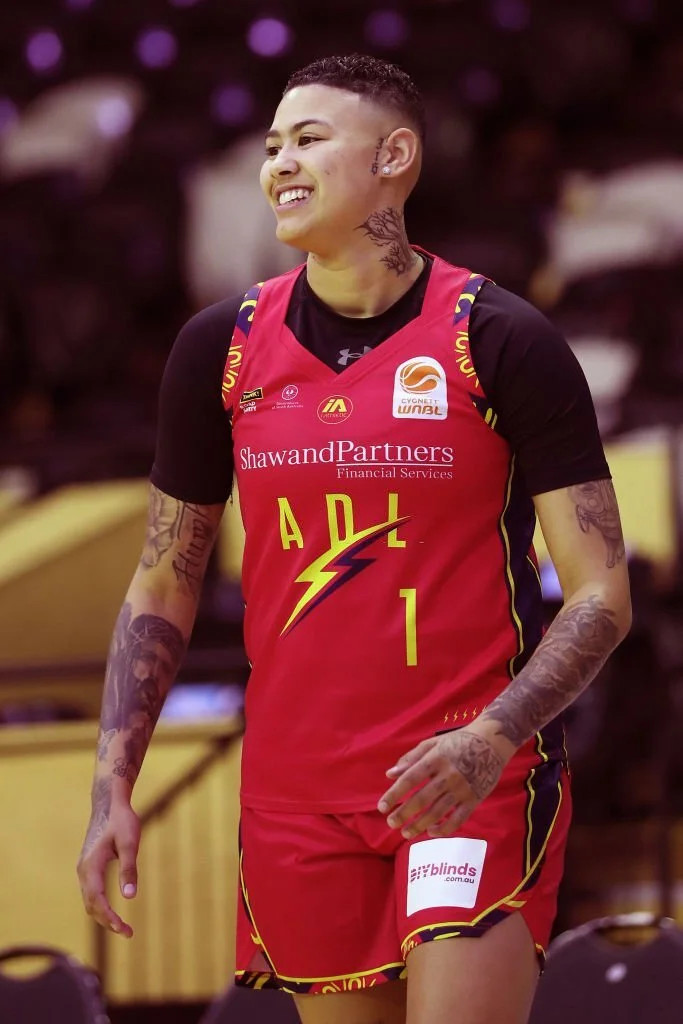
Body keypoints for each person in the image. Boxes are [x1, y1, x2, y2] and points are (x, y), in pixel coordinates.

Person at [77, 54, 631, 1024]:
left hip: (467, 777)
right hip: (297, 798)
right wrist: (111, 784)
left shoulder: (500, 339)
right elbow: (163, 582)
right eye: (271, 147)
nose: (279, 165)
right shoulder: (219, 349)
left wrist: (494, 735)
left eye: (308, 139)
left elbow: (600, 594)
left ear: (393, 157)